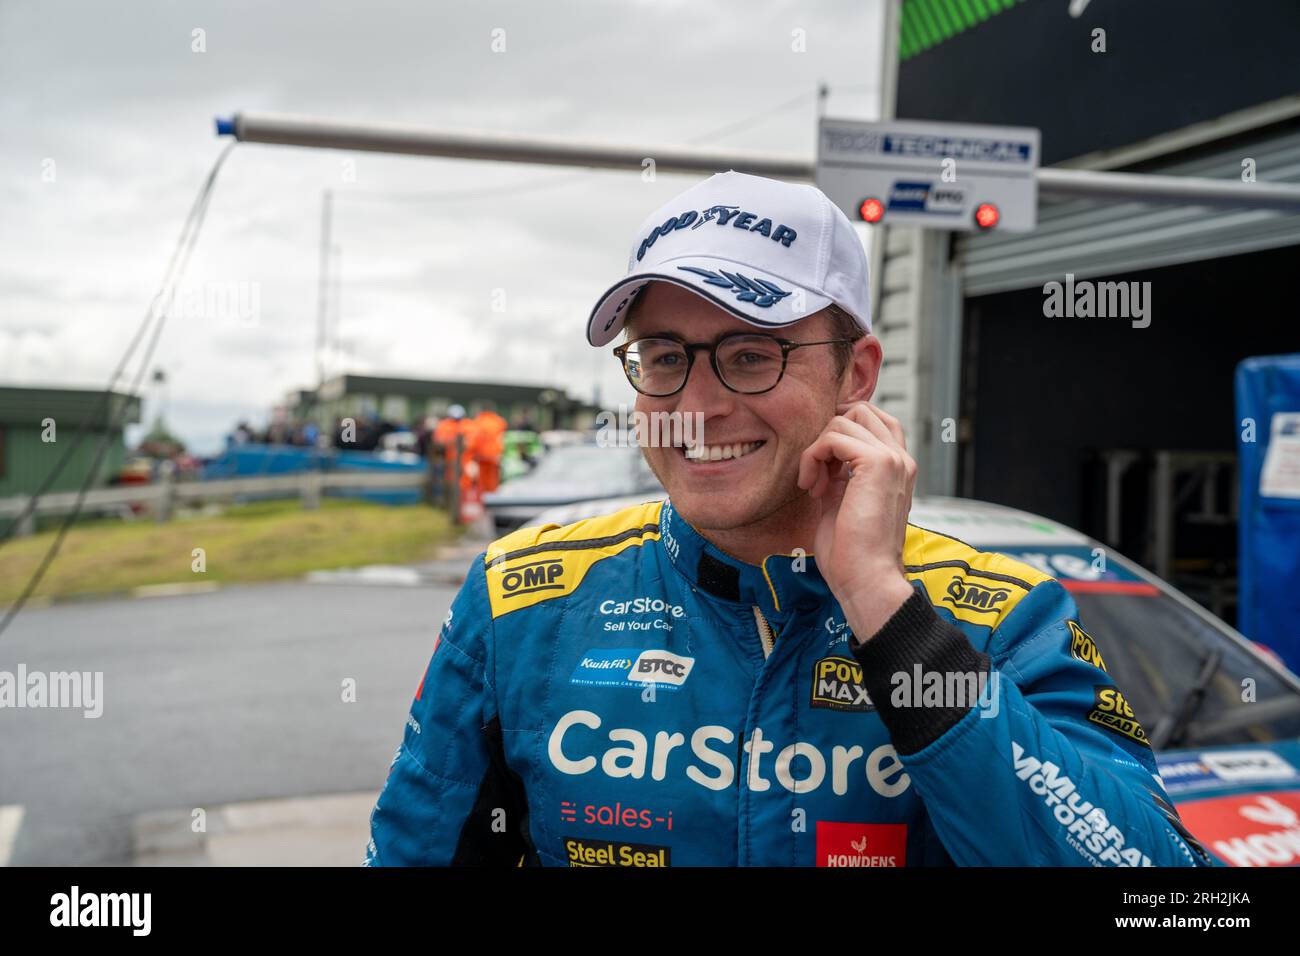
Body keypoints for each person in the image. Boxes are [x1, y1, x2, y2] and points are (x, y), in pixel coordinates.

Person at [366, 171, 1214, 867]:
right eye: (663, 357)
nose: (695, 405)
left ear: (857, 374)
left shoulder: (1003, 616)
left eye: (749, 354)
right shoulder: (522, 599)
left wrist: (889, 613)